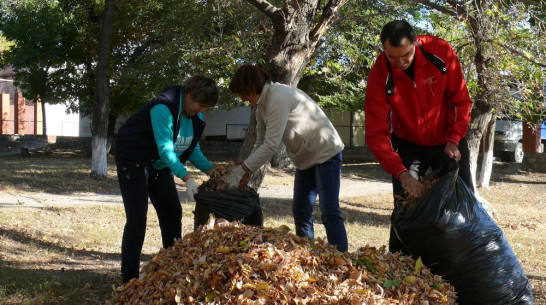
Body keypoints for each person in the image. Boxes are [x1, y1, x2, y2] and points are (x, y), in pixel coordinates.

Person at [364, 20, 474, 254]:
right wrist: (402, 173)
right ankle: (398, 266)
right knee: (405, 210)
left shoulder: (441, 52)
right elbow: (376, 132)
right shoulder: (380, 73)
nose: (400, 63)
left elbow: (460, 101)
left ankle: (463, 261)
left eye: (405, 55)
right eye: (393, 57)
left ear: (416, 42)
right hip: (408, 145)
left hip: (448, 141)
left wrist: (454, 139)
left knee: (465, 206)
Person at [225, 63, 348, 252]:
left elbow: (271, 145)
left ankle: (343, 259)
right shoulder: (261, 107)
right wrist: (245, 170)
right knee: (300, 211)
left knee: (329, 211)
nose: (243, 98)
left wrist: (244, 169)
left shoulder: (278, 97)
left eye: (243, 93)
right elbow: (260, 144)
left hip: (326, 152)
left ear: (252, 87)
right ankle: (307, 255)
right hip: (305, 158)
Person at [114, 75, 218, 283]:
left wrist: (214, 171)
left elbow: (192, 150)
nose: (202, 110)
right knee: (137, 219)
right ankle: (129, 279)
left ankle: (172, 267)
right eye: (201, 104)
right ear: (190, 96)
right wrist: (186, 177)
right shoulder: (163, 107)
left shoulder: (195, 118)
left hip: (158, 165)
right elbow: (165, 149)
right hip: (134, 159)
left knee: (172, 212)